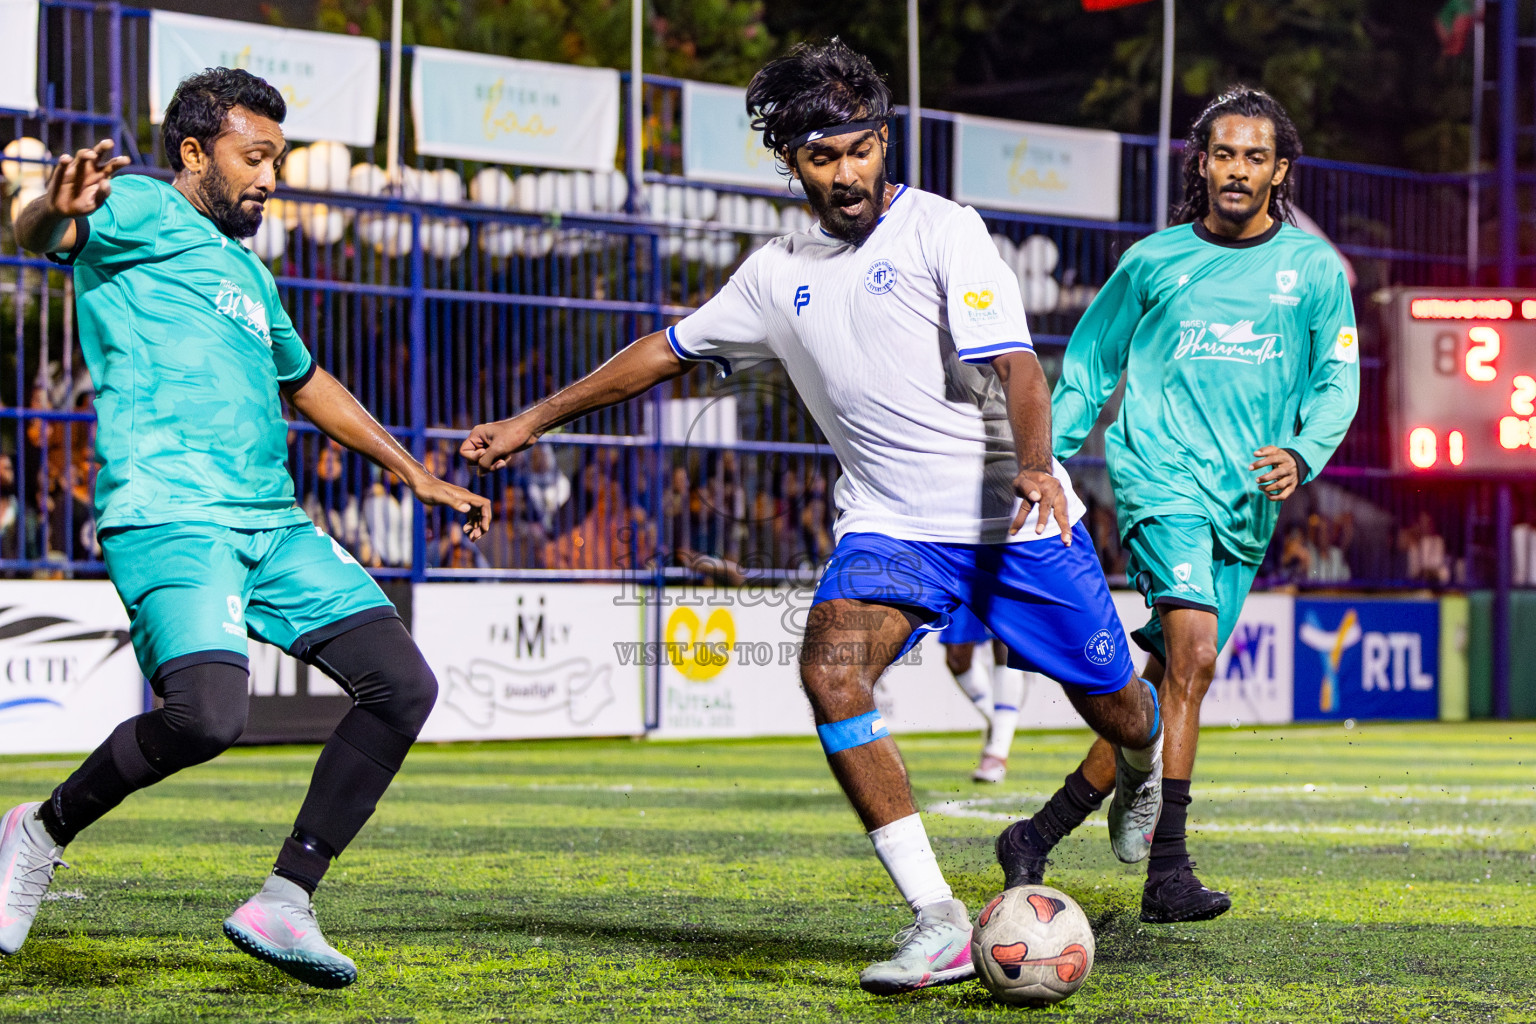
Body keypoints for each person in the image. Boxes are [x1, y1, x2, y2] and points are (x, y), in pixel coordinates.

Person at [460, 39, 1162, 997]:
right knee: (831, 669)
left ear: (885, 142)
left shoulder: (941, 229)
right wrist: (530, 421)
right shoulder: (769, 275)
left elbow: (1020, 366)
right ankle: (939, 920)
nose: (848, 174)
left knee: (1120, 708)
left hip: (1014, 526)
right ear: (792, 164)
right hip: (891, 529)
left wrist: (1038, 465)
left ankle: (1140, 754)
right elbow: (664, 351)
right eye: (824, 157)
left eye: (862, 149)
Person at [2, 68, 490, 986]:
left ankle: (287, 899)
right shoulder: (141, 206)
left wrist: (416, 474)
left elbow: (305, 383)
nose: (271, 175)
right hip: (172, 512)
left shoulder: (247, 271)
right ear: (195, 154)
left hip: (272, 524)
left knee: (401, 684)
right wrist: (43, 213)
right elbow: (46, 231)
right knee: (207, 716)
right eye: (253, 156)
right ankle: (38, 831)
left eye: (278, 157)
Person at [994, 87, 1359, 924]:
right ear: (1202, 163)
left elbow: (1340, 380)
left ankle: (1035, 834)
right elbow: (1087, 367)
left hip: (1247, 503)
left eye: (1254, 156)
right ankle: (1169, 871)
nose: (1237, 170)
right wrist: (1044, 462)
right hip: (1161, 479)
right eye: (1223, 154)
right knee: (1193, 657)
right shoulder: (1154, 261)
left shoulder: (1310, 273)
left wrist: (1304, 450)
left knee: (1159, 689)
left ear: (1280, 170)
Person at [936, 606, 1029, 783]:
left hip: (1006, 580)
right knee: (956, 658)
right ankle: (1000, 725)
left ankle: (997, 752)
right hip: (961, 578)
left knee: (1006, 639)